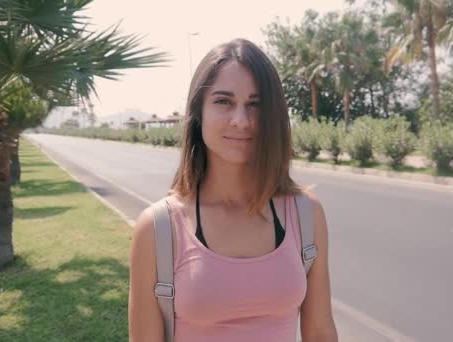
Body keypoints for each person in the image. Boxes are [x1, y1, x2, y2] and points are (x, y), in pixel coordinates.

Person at [129, 38, 338, 342]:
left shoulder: (305, 214)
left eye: (255, 105)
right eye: (224, 101)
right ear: (198, 112)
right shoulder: (159, 229)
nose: (241, 120)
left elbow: (320, 333)